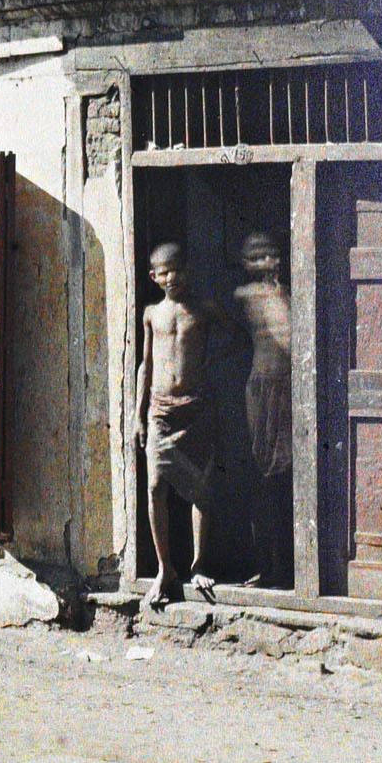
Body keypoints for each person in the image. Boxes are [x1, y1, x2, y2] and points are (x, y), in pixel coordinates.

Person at [136, 240, 228, 608]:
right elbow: (145, 365)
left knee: (200, 489)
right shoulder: (151, 314)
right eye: (164, 272)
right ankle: (165, 569)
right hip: (160, 410)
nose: (171, 277)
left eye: (177, 269)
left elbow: (236, 337)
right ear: (153, 277)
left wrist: (207, 366)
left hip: (196, 409)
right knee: (155, 486)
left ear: (187, 271)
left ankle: (198, 564)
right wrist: (138, 415)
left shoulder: (203, 310)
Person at [234, 232, 293, 587]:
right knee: (264, 475)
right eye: (256, 258)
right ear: (245, 263)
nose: (265, 262)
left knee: (285, 477)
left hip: (288, 387)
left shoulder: (287, 293)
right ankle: (266, 563)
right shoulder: (247, 295)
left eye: (270, 255)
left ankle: (284, 566)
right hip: (261, 387)